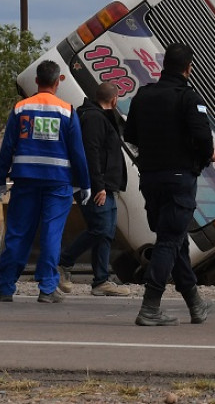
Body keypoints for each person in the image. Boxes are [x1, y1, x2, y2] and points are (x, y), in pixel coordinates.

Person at [124, 42, 215, 326]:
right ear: (189, 69)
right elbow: (202, 137)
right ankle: (150, 307)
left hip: (150, 179)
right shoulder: (189, 98)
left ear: (164, 67)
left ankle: (194, 303)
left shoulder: (143, 96)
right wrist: (202, 159)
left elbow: (131, 136)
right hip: (179, 179)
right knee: (169, 240)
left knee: (175, 239)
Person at [0, 60, 91, 304]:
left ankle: (6, 287)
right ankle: (47, 288)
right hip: (58, 183)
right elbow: (78, 152)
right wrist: (84, 183)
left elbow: (7, 148)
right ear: (58, 82)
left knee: (18, 233)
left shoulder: (20, 109)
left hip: (25, 180)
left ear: (37, 81)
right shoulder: (67, 111)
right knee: (51, 234)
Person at [57, 81, 129, 297]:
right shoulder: (94, 118)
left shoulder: (98, 117)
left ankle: (101, 281)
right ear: (114, 99)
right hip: (96, 186)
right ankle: (63, 262)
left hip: (105, 185)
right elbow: (92, 153)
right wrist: (99, 186)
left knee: (105, 232)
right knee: (100, 228)